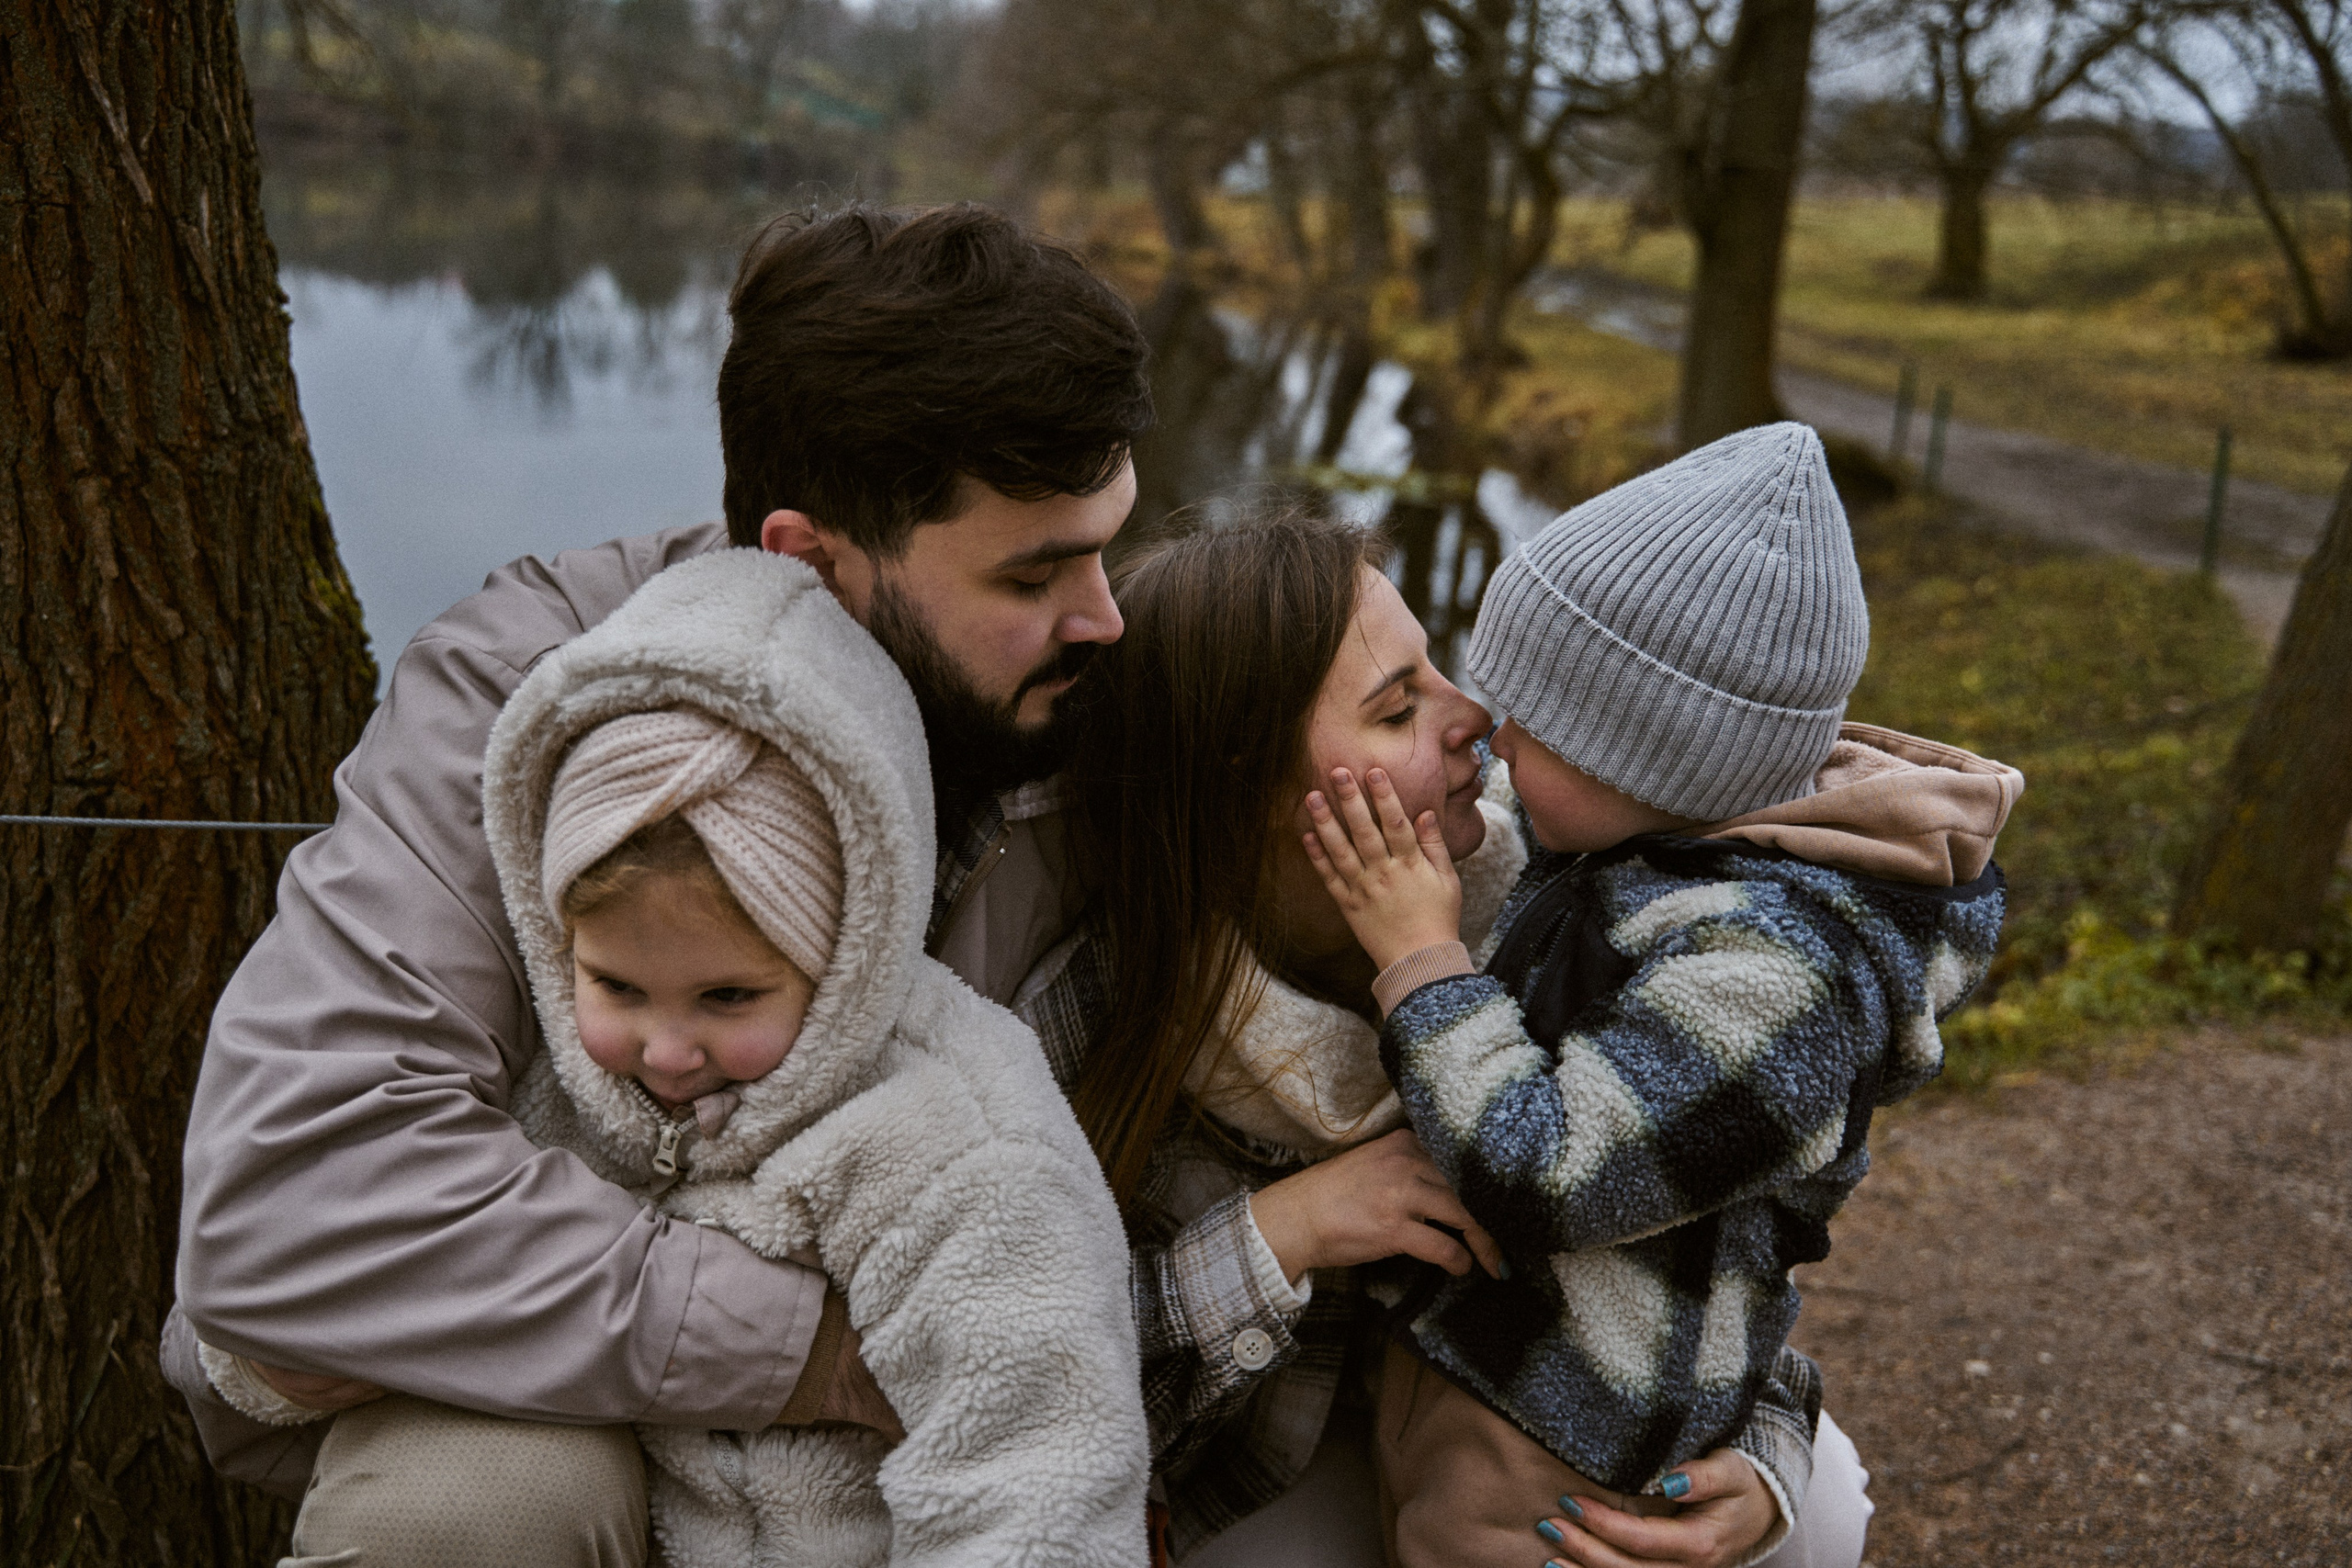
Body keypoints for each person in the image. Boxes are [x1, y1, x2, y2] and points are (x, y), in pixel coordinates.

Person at [164, 203, 1155, 1565]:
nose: (1104, 612)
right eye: (1037, 570)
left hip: (942, 1421)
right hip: (558, 1397)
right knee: (465, 1516)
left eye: (1109, 545)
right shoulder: (534, 694)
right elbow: (292, 1207)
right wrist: (810, 1348)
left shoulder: (1077, 688)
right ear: (813, 559)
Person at [1058, 508, 1882, 1568]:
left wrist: (1767, 1457)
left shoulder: (1534, 900)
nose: (1476, 716)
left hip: (1481, 1429)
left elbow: (1707, 1230)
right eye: (1400, 707)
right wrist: (1287, 1229)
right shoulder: (1101, 1008)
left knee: (1823, 1510)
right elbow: (1019, 1374)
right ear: (1246, 786)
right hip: (1256, 1464)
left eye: (1436, 669)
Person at [1296, 424, 2023, 1568]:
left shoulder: (1780, 970)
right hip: (1480, 1374)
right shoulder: (1643, 857)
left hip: (1564, 1453)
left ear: (1654, 760)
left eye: (1537, 722)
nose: (1494, 732)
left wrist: (1418, 955)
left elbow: (1551, 1174)